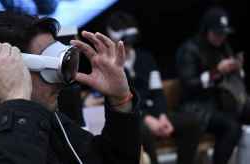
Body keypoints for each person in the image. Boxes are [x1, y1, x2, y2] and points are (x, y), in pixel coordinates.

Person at [0, 11, 141, 164]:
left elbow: (111, 160)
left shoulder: (45, 114)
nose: (61, 82)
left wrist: (120, 100)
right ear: (5, 70)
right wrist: (17, 104)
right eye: (50, 72)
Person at [106, 11, 200, 164]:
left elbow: (157, 92)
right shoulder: (110, 66)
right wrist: (146, 119)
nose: (128, 47)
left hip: (155, 114)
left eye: (131, 42)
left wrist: (162, 115)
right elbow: (121, 101)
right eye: (124, 42)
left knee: (192, 122)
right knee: (141, 132)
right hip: (133, 118)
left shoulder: (145, 58)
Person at [176, 7, 250, 164]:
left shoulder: (224, 47)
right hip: (198, 107)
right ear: (206, 30)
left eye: (223, 33)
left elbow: (235, 81)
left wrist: (237, 68)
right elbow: (189, 84)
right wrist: (216, 72)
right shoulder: (189, 49)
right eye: (217, 33)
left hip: (223, 102)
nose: (221, 37)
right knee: (231, 127)